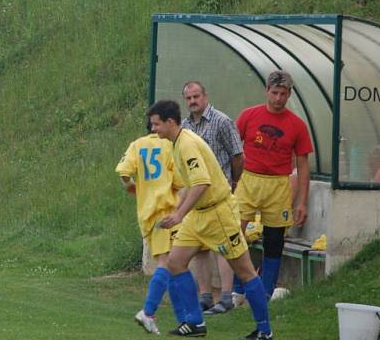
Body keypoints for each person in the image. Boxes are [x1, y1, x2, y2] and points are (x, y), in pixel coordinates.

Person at [148, 100, 273, 339]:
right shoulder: (176, 143)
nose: (153, 129)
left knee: (245, 272)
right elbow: (189, 186)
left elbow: (202, 183)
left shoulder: (186, 145)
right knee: (175, 262)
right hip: (199, 215)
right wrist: (177, 209)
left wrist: (179, 215)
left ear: (170, 122)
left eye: (156, 124)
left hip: (218, 214)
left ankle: (265, 331)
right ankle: (196, 323)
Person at [234, 71, 314, 301]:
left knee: (274, 239)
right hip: (248, 179)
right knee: (234, 233)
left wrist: (301, 202)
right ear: (266, 91)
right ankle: (238, 289)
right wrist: (231, 178)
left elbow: (303, 164)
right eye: (275, 92)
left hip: (279, 184)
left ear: (289, 94)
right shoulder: (249, 116)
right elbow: (232, 147)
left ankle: (265, 292)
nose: (278, 98)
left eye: (283, 94)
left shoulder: (297, 125)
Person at [180, 82, 244, 316]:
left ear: (205, 96)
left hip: (219, 195)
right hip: (196, 197)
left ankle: (226, 297)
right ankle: (205, 296)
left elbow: (237, 155)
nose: (192, 101)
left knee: (222, 246)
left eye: (196, 96)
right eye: (188, 98)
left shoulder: (221, 121)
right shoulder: (184, 127)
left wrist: (233, 182)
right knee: (199, 249)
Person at [116, 123, 183, 335]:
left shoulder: (137, 144)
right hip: (167, 211)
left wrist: (133, 188)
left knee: (174, 264)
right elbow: (180, 181)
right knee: (167, 262)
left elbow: (124, 173)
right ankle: (148, 311)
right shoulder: (170, 145)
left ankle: (185, 320)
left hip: (148, 213)